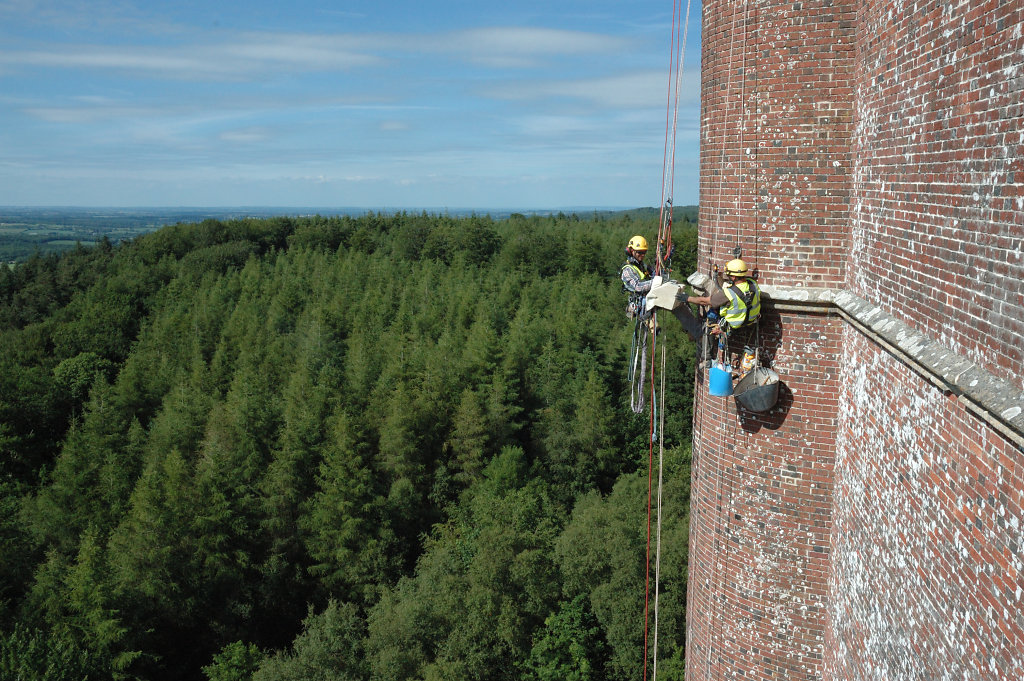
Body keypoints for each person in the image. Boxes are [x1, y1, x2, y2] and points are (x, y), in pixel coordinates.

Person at [679, 258, 761, 338]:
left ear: (733, 277)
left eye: (729, 275)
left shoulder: (729, 293)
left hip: (734, 326)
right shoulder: (753, 284)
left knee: (712, 313)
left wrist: (687, 298)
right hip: (751, 321)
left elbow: (704, 301)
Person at [620, 235, 654, 318]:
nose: (642, 255)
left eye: (644, 252)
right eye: (639, 252)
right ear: (631, 251)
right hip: (640, 303)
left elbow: (653, 272)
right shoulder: (627, 270)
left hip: (648, 299)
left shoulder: (642, 265)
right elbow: (637, 286)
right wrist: (656, 281)